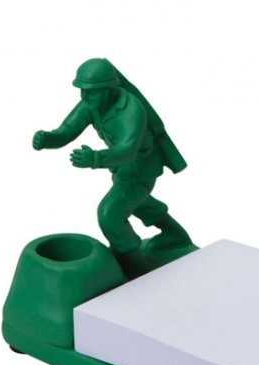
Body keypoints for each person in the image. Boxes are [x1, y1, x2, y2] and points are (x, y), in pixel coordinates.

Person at [33, 58, 193, 276]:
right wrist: (48, 139)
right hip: (122, 169)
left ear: (108, 89)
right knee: (138, 203)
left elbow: (127, 151)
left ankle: (134, 265)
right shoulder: (92, 104)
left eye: (91, 91)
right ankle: (175, 236)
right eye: (82, 90)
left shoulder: (131, 109)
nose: (84, 96)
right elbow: (68, 129)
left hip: (141, 169)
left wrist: (95, 158)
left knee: (110, 214)